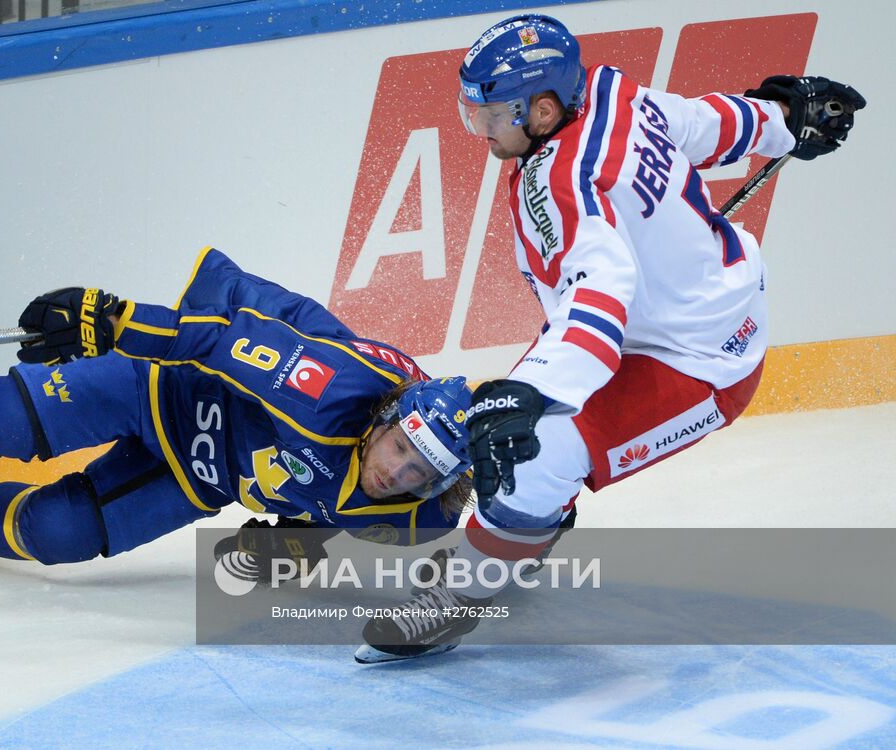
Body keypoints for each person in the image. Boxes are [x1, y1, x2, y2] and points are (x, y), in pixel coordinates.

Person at [356, 13, 865, 663]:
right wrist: (781, 119)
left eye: (492, 116)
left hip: (701, 361)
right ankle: (534, 525)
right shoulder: (604, 92)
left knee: (528, 452)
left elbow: (603, 293)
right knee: (522, 424)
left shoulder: (561, 183)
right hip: (689, 311)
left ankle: (463, 595)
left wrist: (530, 392)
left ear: (542, 109)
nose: (482, 132)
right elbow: (695, 125)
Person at [0, 247, 477, 573]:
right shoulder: (330, 388)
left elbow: (340, 518)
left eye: (418, 472)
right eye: (400, 449)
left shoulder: (425, 514)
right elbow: (218, 341)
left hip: (201, 476)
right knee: (0, 422)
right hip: (165, 385)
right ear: (386, 418)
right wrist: (114, 320)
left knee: (62, 533)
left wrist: (292, 543)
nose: (397, 473)